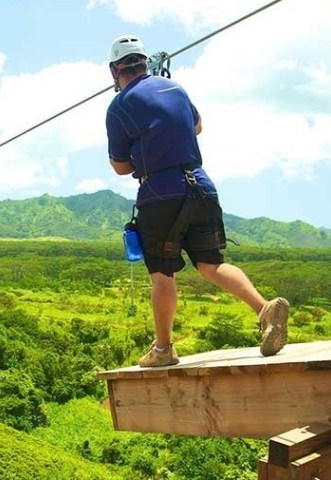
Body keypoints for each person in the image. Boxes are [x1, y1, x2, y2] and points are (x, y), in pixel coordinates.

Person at [105, 35, 290, 367]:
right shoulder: (174, 89)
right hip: (200, 185)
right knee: (209, 263)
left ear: (115, 71)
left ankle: (163, 349)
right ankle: (264, 309)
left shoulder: (119, 106)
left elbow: (120, 166)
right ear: (144, 63)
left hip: (160, 193)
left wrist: (144, 154)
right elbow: (198, 126)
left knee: (162, 274)